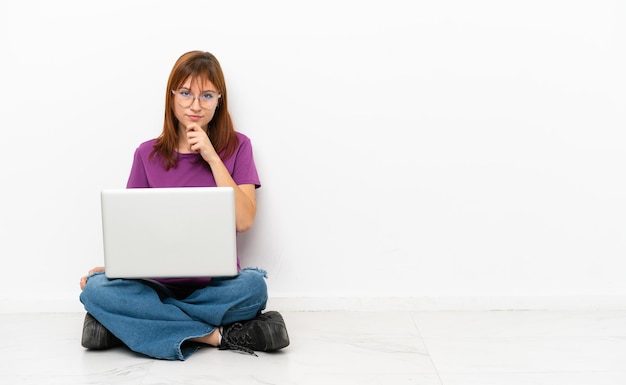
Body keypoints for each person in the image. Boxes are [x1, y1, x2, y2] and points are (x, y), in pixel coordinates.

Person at [79, 50, 289, 361]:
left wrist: (212, 157)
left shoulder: (238, 146)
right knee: (95, 289)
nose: (195, 105)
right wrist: (116, 267)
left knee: (254, 287)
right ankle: (215, 336)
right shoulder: (146, 154)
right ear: (172, 96)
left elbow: (244, 221)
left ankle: (124, 325)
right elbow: (131, 229)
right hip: (153, 285)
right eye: (186, 93)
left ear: (219, 100)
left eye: (206, 95)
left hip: (215, 286)